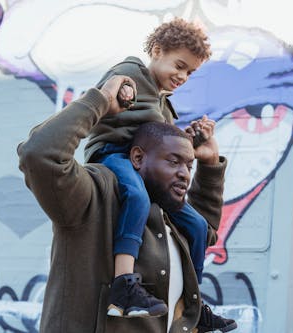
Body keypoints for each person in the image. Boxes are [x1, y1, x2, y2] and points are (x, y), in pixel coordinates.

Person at [17, 75, 233, 332]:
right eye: (174, 162)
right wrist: (101, 101)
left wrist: (208, 166)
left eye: (189, 165)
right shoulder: (96, 196)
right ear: (138, 158)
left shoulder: (171, 217)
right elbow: (39, 155)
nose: (185, 173)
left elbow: (204, 231)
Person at [85, 18, 236, 331]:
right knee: (137, 197)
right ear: (157, 50)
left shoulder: (165, 105)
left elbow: (158, 144)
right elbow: (109, 103)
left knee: (195, 225)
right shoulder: (129, 74)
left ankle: (194, 304)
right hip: (113, 155)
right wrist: (116, 96)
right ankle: (124, 284)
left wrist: (190, 142)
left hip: (142, 166)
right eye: (179, 66)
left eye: (190, 72)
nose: (182, 76)